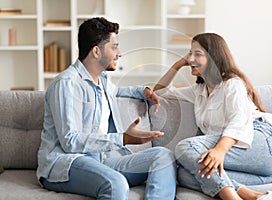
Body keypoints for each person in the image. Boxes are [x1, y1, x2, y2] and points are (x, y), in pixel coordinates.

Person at [36, 17, 176, 200]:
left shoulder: (102, 80)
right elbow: (70, 142)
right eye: (114, 47)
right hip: (67, 163)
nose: (119, 53)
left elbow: (116, 92)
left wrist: (144, 92)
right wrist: (123, 138)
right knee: (116, 184)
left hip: (101, 161)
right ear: (96, 51)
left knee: (164, 157)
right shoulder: (66, 84)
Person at [153, 33, 272, 200]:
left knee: (185, 147)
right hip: (255, 172)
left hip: (261, 144)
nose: (190, 59)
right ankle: (256, 197)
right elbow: (159, 92)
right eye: (190, 53)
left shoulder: (232, 83)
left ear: (213, 57)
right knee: (183, 175)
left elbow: (239, 120)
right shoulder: (199, 91)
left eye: (198, 54)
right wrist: (178, 64)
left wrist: (220, 150)